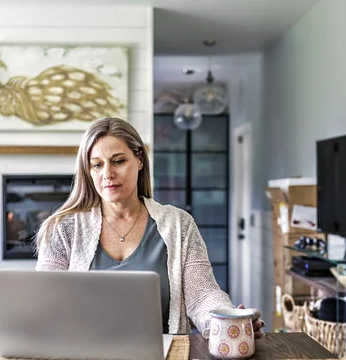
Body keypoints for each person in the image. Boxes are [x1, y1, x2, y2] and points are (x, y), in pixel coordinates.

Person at [35, 117, 264, 337]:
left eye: (118, 161)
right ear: (88, 170)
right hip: (82, 355)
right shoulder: (62, 229)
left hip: (162, 358)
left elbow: (202, 294)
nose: (108, 174)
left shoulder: (179, 224)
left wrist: (224, 321)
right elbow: (45, 301)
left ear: (140, 161)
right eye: (97, 165)